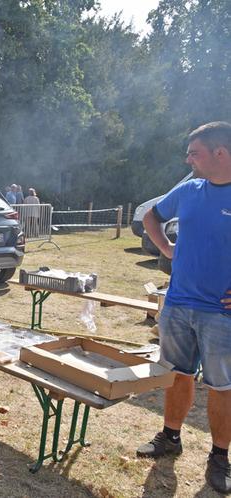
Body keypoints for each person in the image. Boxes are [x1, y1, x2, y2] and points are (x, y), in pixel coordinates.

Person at [137, 121, 231, 493]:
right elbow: (150, 216)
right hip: (177, 304)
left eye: (194, 153)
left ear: (219, 153)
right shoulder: (189, 189)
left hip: (221, 313)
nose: (187, 159)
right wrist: (166, 249)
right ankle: (170, 437)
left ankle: (220, 457)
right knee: (177, 375)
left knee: (222, 387)